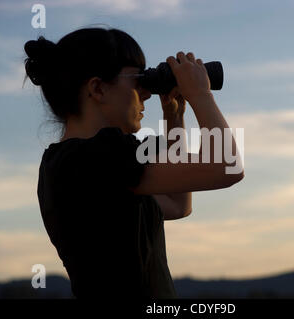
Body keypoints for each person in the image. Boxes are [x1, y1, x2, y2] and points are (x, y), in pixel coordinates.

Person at [24, 26, 244, 300]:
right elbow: (226, 167)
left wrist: (174, 117)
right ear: (98, 88)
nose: (147, 93)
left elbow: (178, 204)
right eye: (137, 80)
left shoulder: (70, 162)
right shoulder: (93, 156)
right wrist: (201, 95)